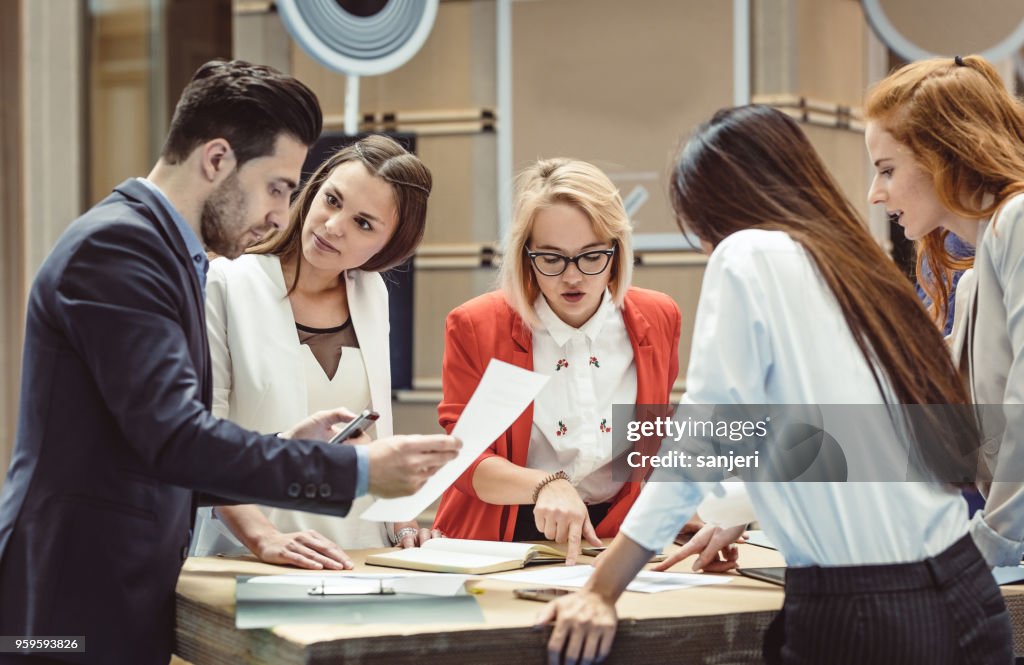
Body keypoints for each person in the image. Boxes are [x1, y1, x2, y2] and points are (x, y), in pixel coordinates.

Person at [0, 60, 459, 665]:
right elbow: (175, 441)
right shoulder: (121, 249)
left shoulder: (167, 254)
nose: (281, 214)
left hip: (117, 582)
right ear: (217, 160)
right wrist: (357, 471)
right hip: (70, 595)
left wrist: (285, 441)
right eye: (277, 187)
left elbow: (153, 445)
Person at [540, 105, 1013, 665]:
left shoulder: (748, 252)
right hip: (965, 593)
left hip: (868, 613)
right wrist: (737, 508)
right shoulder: (857, 266)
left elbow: (703, 438)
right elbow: (829, 439)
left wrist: (600, 589)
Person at [199, 135, 439, 569]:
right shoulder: (227, 283)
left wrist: (404, 523)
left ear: (389, 247)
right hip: (254, 552)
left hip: (363, 551)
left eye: (363, 223)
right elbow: (203, 441)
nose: (332, 226)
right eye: (332, 200)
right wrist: (265, 539)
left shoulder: (371, 292)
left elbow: (375, 429)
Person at [432, 158, 683, 566]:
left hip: (609, 538)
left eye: (591, 256)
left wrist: (693, 505)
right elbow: (461, 460)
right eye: (551, 258)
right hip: (500, 540)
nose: (573, 277)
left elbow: (652, 445)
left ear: (617, 250)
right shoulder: (477, 325)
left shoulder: (658, 317)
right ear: (525, 254)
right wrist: (544, 484)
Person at [864, 54, 1024, 567]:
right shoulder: (978, 278)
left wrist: (990, 547)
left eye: (887, 169)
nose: (874, 194)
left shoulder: (1016, 222)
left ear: (946, 155)